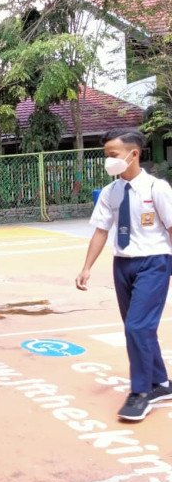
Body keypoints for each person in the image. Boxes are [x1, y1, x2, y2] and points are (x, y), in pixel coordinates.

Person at [76, 128, 172, 421]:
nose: (108, 161)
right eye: (106, 155)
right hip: (123, 264)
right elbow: (101, 231)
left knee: (137, 327)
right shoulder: (110, 192)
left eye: (112, 155)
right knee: (139, 327)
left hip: (154, 262)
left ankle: (140, 392)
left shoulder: (158, 189)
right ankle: (162, 384)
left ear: (134, 154)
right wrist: (87, 267)